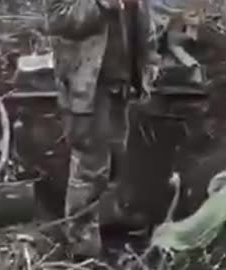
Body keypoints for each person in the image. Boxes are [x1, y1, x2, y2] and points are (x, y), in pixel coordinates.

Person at [45, 0, 160, 257]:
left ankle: (107, 218)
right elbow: (58, 18)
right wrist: (100, 5)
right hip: (85, 86)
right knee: (90, 164)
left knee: (116, 156)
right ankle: (82, 242)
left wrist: (149, 61)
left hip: (118, 83)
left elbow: (142, 18)